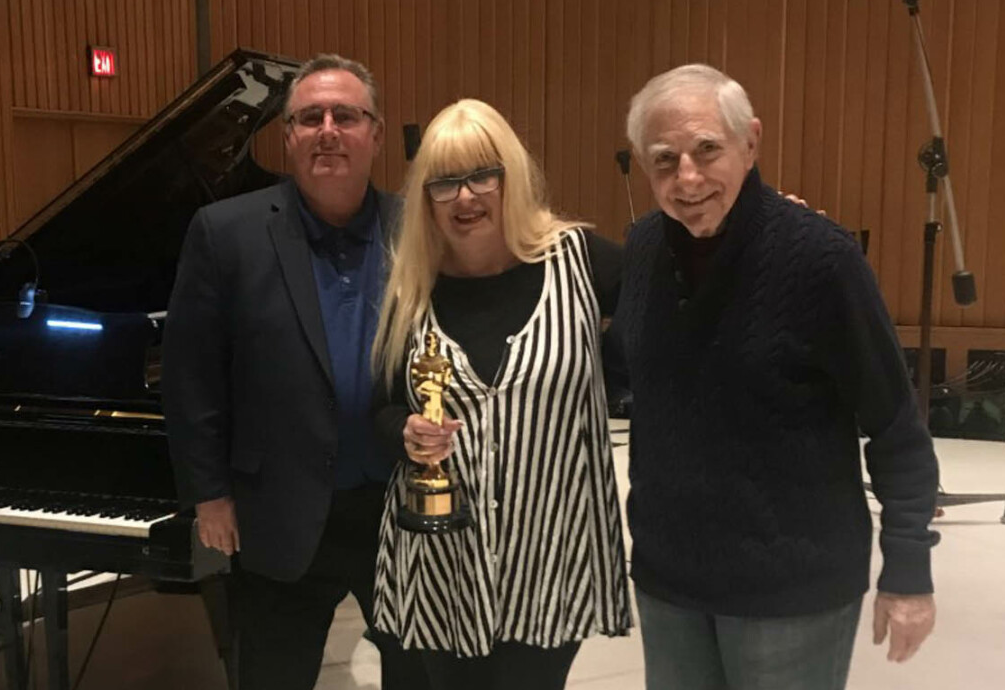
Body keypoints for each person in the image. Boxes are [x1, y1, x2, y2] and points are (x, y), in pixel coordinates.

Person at [609, 63, 939, 690]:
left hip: (792, 591)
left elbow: (896, 425)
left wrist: (908, 571)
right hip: (670, 580)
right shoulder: (645, 247)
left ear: (751, 142)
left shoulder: (821, 259)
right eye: (664, 159)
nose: (688, 178)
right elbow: (627, 371)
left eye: (707, 149)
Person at [162, 54, 427, 690]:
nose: (328, 130)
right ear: (288, 137)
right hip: (276, 509)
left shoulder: (417, 229)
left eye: (346, 116)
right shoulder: (226, 232)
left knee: (421, 677)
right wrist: (211, 494)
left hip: (396, 511)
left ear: (377, 134)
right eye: (310, 117)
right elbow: (190, 374)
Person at [370, 98, 633, 690]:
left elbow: (682, 282)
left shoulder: (582, 260)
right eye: (444, 183)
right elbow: (381, 407)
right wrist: (405, 433)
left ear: (510, 178)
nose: (465, 198)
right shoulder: (412, 284)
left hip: (551, 557)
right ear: (425, 198)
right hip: (442, 560)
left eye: (481, 175)